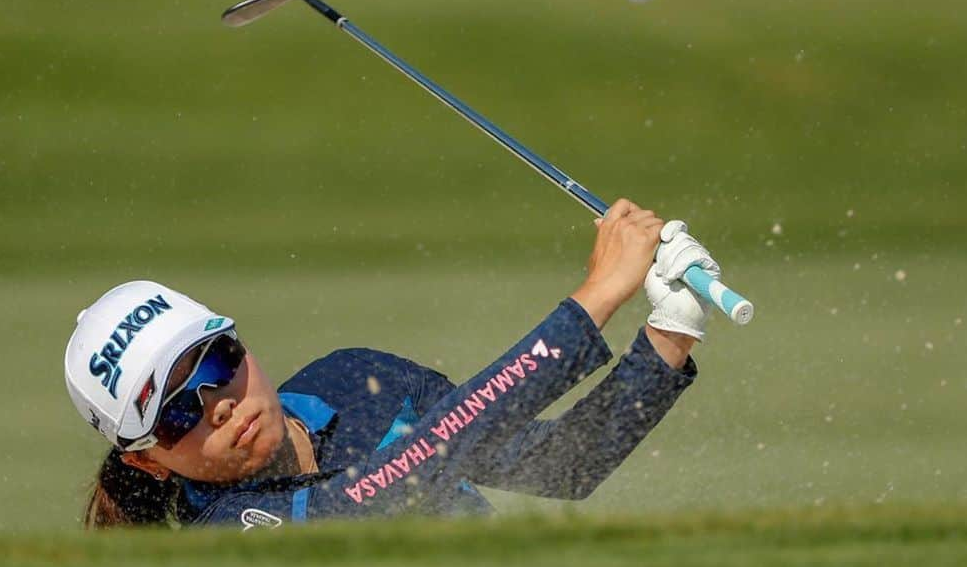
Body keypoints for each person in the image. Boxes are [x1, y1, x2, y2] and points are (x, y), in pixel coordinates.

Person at [64, 199, 720, 530]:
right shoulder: (227, 540)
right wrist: (596, 299)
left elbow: (561, 467)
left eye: (215, 364)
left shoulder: (350, 380)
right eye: (179, 413)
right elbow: (387, 485)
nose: (219, 404)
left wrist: (670, 329)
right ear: (146, 460)